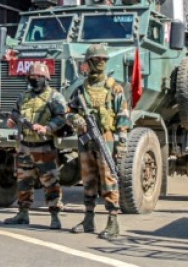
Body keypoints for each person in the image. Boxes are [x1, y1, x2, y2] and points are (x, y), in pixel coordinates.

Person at [67, 43, 131, 239]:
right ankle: (88, 219)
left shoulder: (114, 87)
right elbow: (68, 112)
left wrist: (121, 143)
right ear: (88, 62)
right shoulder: (80, 89)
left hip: (106, 137)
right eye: (96, 60)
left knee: (108, 179)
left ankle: (113, 221)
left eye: (103, 60)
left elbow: (123, 116)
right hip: (86, 139)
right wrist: (75, 118)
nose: (100, 63)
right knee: (88, 179)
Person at [3, 62, 68, 229]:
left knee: (50, 183)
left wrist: (46, 128)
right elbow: (15, 113)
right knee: (23, 182)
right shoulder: (23, 96)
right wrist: (11, 120)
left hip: (44, 147)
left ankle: (55, 216)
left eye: (39, 77)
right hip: (25, 147)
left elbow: (61, 118)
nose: (36, 79)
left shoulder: (54, 97)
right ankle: (23, 214)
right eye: (33, 76)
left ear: (46, 78)